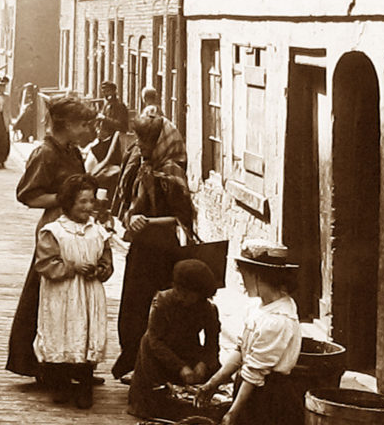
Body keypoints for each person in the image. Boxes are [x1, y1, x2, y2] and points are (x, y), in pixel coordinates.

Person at [6, 96, 98, 380]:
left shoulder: (74, 151)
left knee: (78, 299)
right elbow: (28, 195)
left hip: (79, 231)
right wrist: (65, 199)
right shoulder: (45, 153)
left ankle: (75, 364)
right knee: (47, 298)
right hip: (56, 233)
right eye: (83, 124)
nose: (87, 130)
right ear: (67, 125)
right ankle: (41, 365)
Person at [110, 114, 194, 382]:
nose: (140, 146)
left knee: (158, 313)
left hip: (164, 254)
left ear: (159, 142)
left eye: (145, 141)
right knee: (133, 310)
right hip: (141, 252)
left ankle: (154, 368)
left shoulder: (172, 171)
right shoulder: (142, 166)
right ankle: (134, 362)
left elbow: (183, 220)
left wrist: (148, 222)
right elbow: (129, 207)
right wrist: (132, 219)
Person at [197, 240, 302, 425]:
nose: (240, 280)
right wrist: (213, 383)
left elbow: (255, 372)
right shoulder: (257, 306)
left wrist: (232, 413)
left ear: (257, 276)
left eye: (243, 274)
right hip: (249, 389)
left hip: (269, 397)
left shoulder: (277, 320)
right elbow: (241, 350)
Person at [34, 174, 113, 409]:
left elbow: (107, 262)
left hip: (89, 294)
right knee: (63, 333)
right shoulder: (54, 231)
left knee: (87, 333)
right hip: (63, 294)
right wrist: (72, 267)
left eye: (91, 201)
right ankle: (61, 383)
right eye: (82, 202)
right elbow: (46, 263)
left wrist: (98, 270)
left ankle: (85, 385)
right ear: (69, 203)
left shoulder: (98, 232)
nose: (88, 207)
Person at [128, 259, 221, 421]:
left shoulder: (208, 309)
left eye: (186, 293)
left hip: (188, 349)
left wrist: (203, 364)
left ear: (200, 294)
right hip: (158, 352)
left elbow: (212, 343)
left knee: (204, 395)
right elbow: (155, 341)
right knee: (155, 400)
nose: (180, 296)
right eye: (178, 290)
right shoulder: (162, 302)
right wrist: (181, 367)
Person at [85, 116, 129, 203]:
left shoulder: (97, 149)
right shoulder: (100, 145)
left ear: (106, 131)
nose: (97, 131)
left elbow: (89, 169)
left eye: (100, 128)